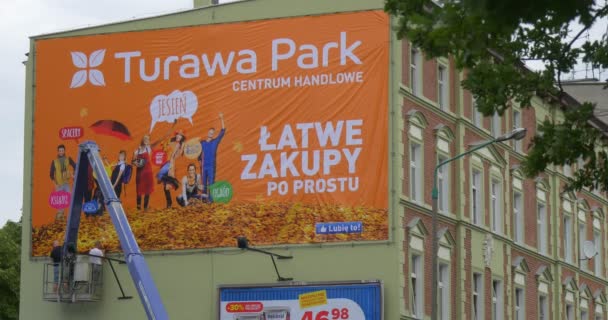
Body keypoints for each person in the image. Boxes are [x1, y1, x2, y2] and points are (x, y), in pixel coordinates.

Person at [157, 130, 185, 208]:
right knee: (165, 186)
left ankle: (175, 184)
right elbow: (164, 148)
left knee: (163, 180)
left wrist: (171, 165)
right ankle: (169, 203)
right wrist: (165, 142)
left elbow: (175, 156)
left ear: (182, 138)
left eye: (180, 136)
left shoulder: (179, 145)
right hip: (165, 162)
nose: (178, 137)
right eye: (178, 135)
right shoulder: (171, 143)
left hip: (170, 163)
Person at [199, 113, 225, 197]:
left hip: (211, 167)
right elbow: (197, 153)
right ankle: (204, 201)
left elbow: (222, 132)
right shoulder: (201, 143)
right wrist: (199, 160)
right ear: (207, 133)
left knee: (211, 183)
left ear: (213, 134)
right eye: (209, 132)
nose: (210, 134)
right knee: (203, 184)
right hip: (203, 167)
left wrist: (221, 119)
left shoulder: (214, 142)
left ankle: (210, 201)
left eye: (212, 133)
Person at [49, 144, 76, 220]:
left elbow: (75, 166)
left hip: (66, 184)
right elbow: (51, 174)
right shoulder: (54, 162)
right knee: (60, 202)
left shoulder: (68, 159)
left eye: (62, 150)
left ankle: (72, 216)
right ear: (58, 152)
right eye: (60, 150)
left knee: (69, 199)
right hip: (59, 185)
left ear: (64, 151)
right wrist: (55, 184)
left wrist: (73, 174)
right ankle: (59, 218)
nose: (61, 152)